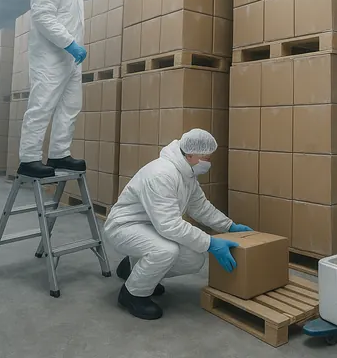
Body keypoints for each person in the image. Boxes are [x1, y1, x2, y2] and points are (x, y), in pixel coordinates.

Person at [17, 0, 144, 178]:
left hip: (69, 59)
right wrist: (70, 44)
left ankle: (59, 154)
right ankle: (29, 158)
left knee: (70, 106)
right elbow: (43, 16)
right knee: (42, 106)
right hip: (50, 58)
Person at [104, 129, 253, 320]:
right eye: (205, 158)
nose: (208, 163)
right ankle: (132, 294)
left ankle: (134, 270)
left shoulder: (186, 174)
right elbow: (169, 225)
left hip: (150, 226)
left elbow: (200, 207)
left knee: (194, 258)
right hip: (124, 226)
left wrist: (229, 226)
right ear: (190, 155)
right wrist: (211, 242)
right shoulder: (162, 174)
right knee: (165, 251)